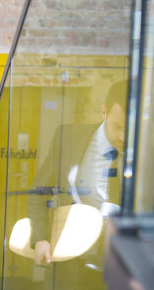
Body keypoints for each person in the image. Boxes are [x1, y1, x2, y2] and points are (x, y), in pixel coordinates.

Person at [28, 80, 127, 267]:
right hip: (70, 261)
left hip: (124, 268)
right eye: (117, 127)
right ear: (104, 112)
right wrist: (41, 238)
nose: (123, 137)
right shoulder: (68, 138)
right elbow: (39, 191)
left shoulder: (147, 154)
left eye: (129, 128)